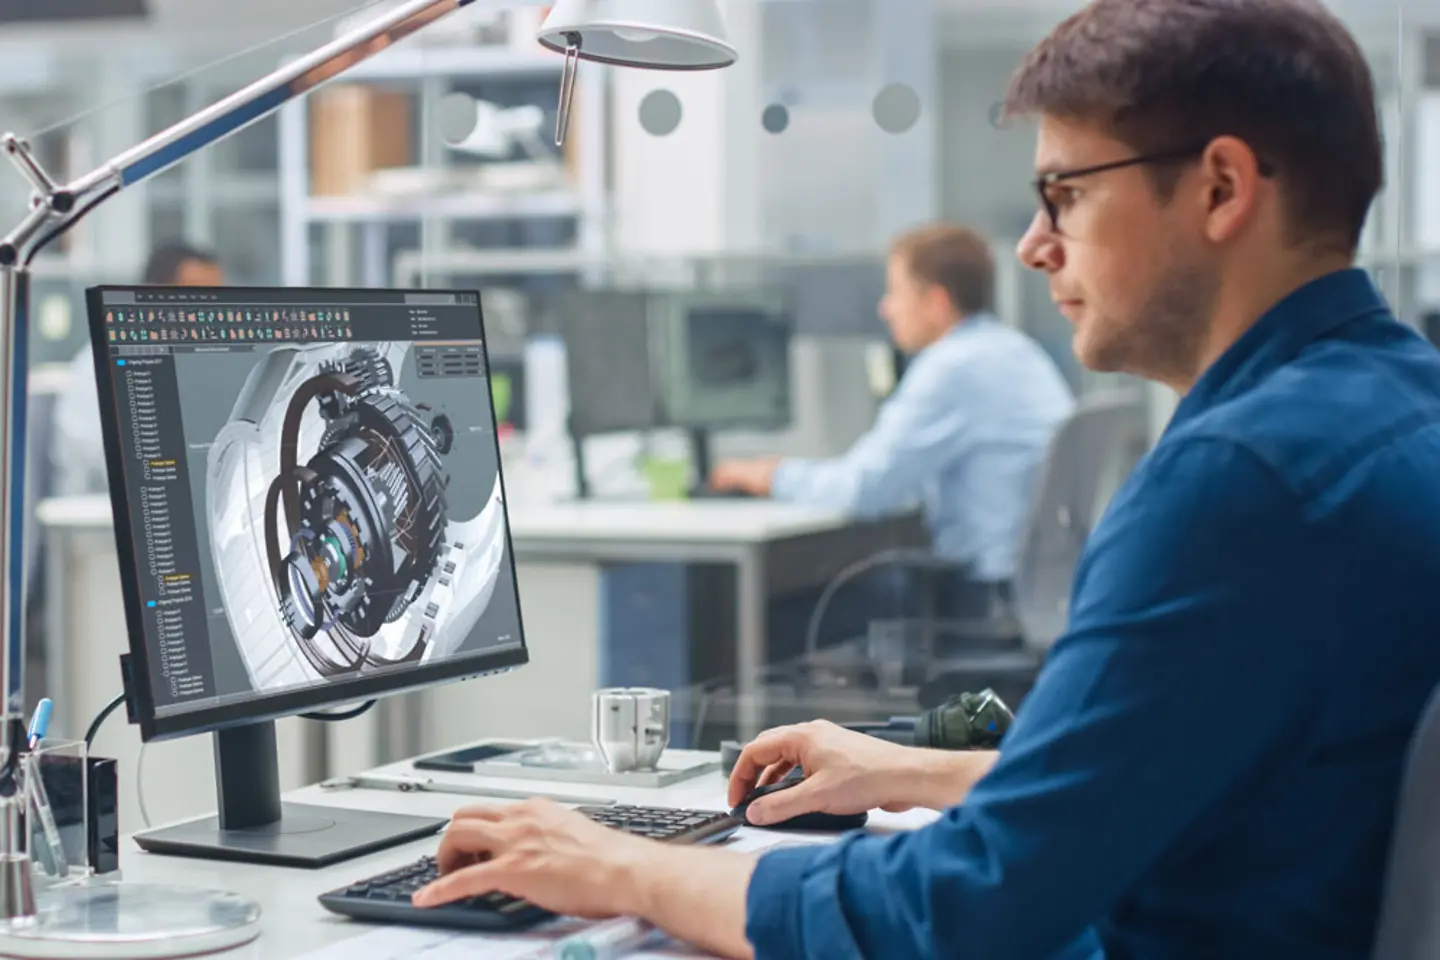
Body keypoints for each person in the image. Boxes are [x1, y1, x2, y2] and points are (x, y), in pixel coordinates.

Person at [403, 1, 1440, 957]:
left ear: (1221, 188)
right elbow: (1172, 771)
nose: (1033, 246)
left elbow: (963, 907)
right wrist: (911, 770)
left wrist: (620, 865)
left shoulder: (1236, 485)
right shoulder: (1398, 405)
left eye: (1065, 195)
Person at [709, 224, 1074, 584]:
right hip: (1040, 583)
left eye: (896, 293)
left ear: (936, 303)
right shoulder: (1017, 351)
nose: (886, 309)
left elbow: (864, 491)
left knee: (801, 601)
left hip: (984, 591)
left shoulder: (952, 367)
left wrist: (771, 476)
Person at [51, 241, 223, 496]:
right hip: (103, 508)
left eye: (217, 298)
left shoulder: (205, 366)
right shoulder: (100, 364)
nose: (211, 312)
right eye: (198, 296)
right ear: (153, 294)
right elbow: (101, 456)